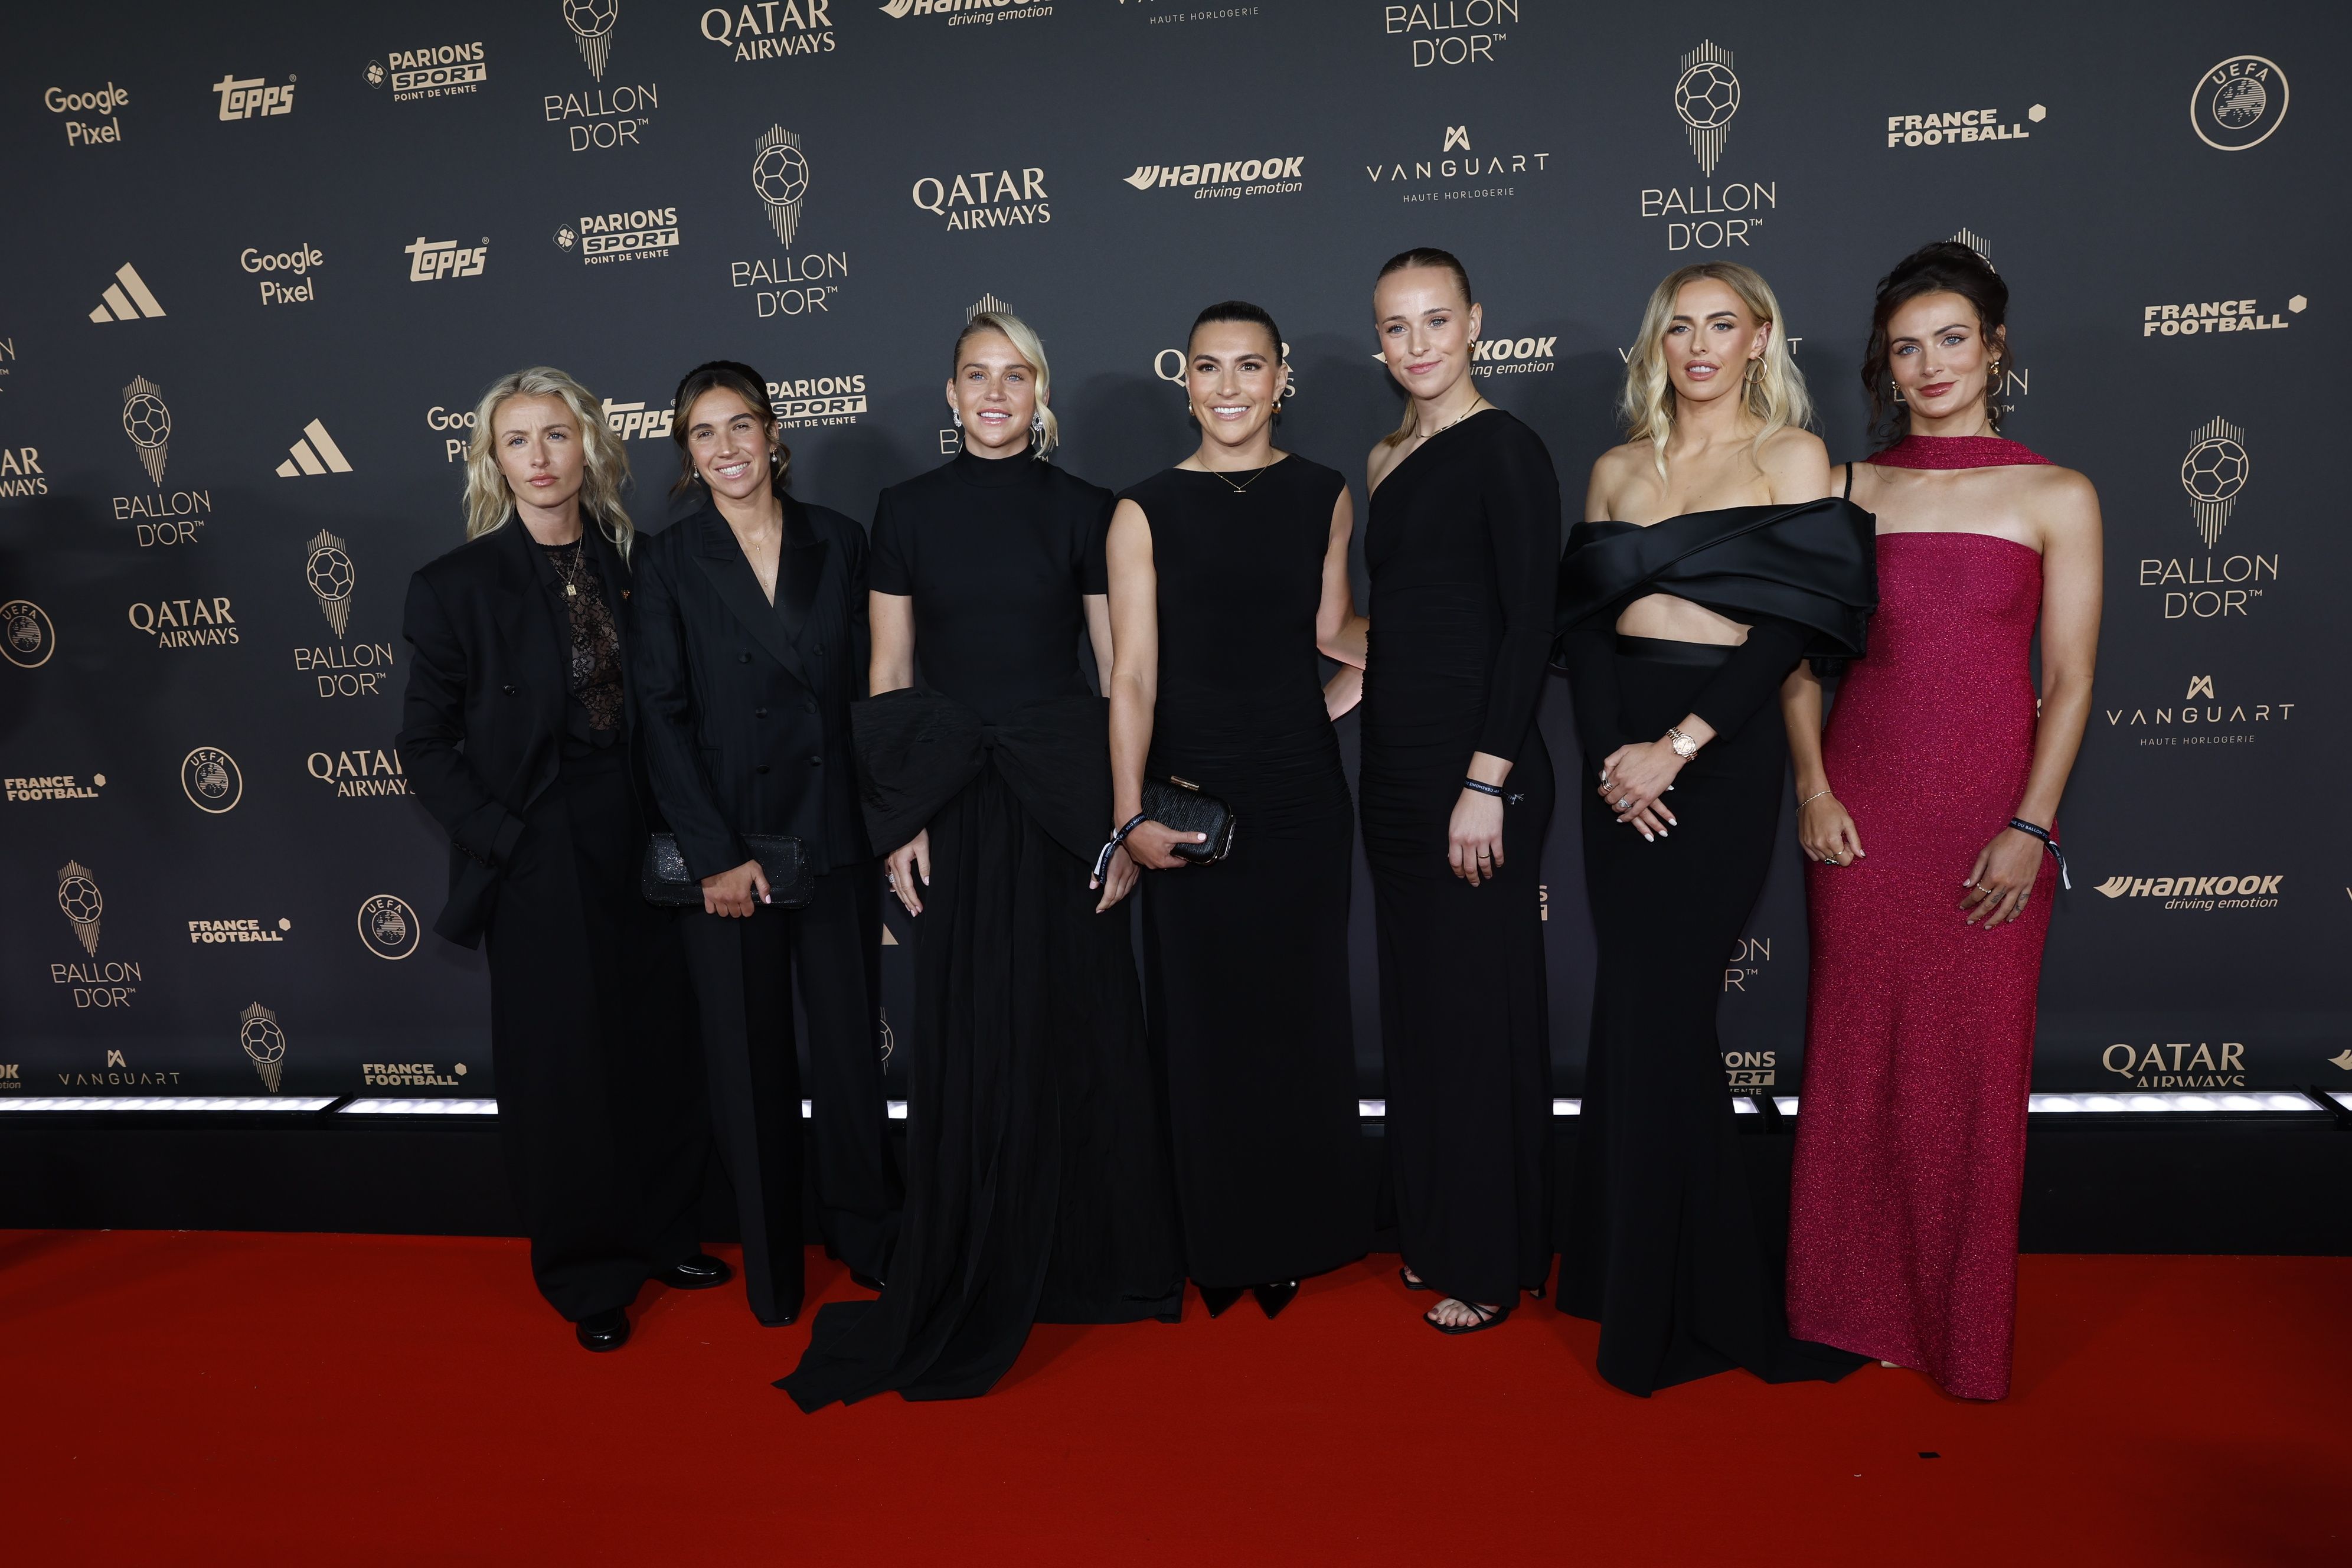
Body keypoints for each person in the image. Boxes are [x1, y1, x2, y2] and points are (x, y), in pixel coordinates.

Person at [780, 312, 1183, 1409]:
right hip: (951, 797)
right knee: (968, 1023)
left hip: (1065, 797)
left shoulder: (1087, 510)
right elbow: (892, 671)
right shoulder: (904, 514)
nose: (995, 394)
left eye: (1014, 377)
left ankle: (1097, 1260)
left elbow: (1114, 676)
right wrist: (900, 816)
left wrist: (1123, 820)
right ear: (950, 396)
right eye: (975, 377)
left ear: (1037, 392)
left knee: (1084, 1015)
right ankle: (975, 1242)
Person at [1784, 242, 2102, 1402]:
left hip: (1988, 814)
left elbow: (2067, 678)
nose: (1928, 365)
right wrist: (1814, 787)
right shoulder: (1846, 489)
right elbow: (1801, 663)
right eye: (1906, 346)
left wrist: (2032, 824)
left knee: (1967, 1072)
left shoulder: (2055, 492)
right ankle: (1841, 1305)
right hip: (1861, 812)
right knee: (1858, 1060)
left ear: (1995, 348)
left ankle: (1957, 1326)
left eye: (1951, 340)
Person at [1554, 264, 1876, 1396]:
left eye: (1721, 326)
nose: (1699, 345)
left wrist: (1675, 750)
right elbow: (1586, 632)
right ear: (1659, 345)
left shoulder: (1789, 457)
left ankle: (1682, 1298)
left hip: (1718, 756)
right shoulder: (1614, 469)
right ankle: (1624, 1269)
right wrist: (1613, 762)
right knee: (1635, 1011)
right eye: (1679, 328)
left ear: (1759, 339)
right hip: (1615, 765)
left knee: (1670, 1007)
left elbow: (1789, 635)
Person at [396, 367, 721, 1354]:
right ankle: (588, 1272)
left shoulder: (639, 559)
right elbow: (423, 743)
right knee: (566, 1065)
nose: (539, 459)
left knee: (660, 1043)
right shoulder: (455, 586)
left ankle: (667, 1231)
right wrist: (503, 838)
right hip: (539, 839)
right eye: (517, 441)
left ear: (590, 446)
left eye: (556, 436)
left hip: (645, 826)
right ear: (494, 461)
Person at [1108, 301, 1370, 1319]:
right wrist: (1130, 816)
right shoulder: (1143, 509)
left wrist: (1416, 653)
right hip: (1192, 801)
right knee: (1206, 1021)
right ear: (1187, 382)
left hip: (1304, 796)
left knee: (1297, 1017)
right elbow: (1131, 676)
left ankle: (1298, 1231)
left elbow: (1331, 630)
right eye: (1210, 368)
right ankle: (1216, 1236)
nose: (1229, 388)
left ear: (1280, 377)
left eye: (1248, 367)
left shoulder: (1323, 493)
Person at [631, 361, 900, 1328]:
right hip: (730, 856)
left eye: (741, 425)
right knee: (748, 1074)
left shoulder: (841, 539)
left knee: (846, 1056)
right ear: (687, 454)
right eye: (705, 433)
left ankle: (869, 1242)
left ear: (774, 433)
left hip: (830, 845)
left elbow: (873, 696)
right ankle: (775, 1272)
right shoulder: (666, 561)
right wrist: (713, 856)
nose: (728, 448)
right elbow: (659, 718)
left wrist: (885, 825)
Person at [1361, 249, 1560, 1335]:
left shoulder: (1509, 450)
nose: (1420, 342)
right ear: (1380, 340)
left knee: (1478, 1013)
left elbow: (1529, 624)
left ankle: (1490, 1256)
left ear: (1477, 321)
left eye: (1439, 319)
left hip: (1476, 773)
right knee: (1421, 1013)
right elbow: (1403, 624)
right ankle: (1434, 1228)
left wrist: (1486, 779)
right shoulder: (1389, 457)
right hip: (1392, 772)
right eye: (1398, 326)